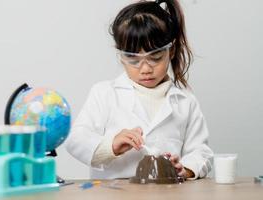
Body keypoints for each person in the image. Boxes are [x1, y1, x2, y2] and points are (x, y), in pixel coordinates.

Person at [66, 0, 213, 180]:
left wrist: (185, 169)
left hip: (167, 193)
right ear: (121, 56)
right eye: (134, 60)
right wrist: (111, 145)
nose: (145, 69)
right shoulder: (104, 93)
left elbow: (201, 152)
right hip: (114, 194)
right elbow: (75, 141)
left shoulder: (185, 102)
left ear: (171, 50)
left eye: (155, 57)